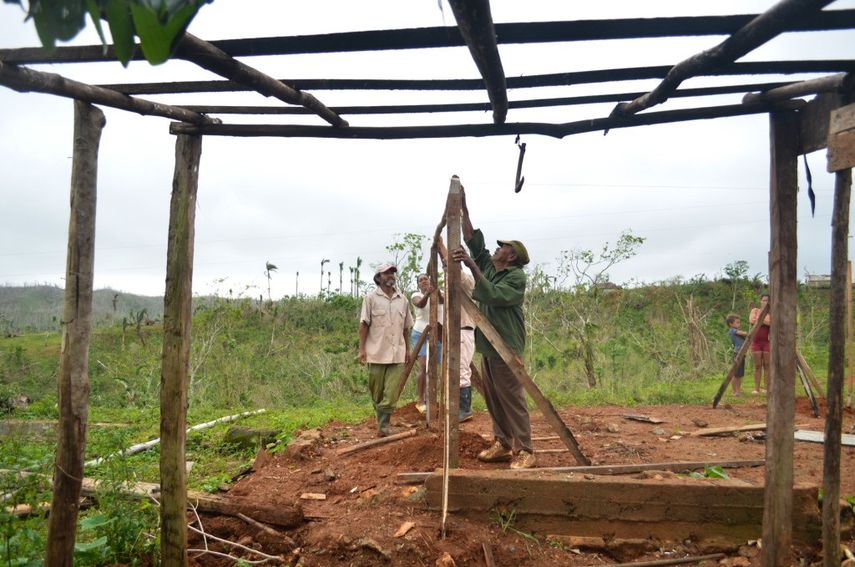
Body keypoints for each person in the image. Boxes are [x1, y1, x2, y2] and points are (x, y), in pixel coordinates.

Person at [451, 187, 534, 469]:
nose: (497, 249)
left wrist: (471, 265)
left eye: (502, 247)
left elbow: (495, 295)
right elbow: (473, 240)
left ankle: (526, 450)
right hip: (488, 344)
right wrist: (463, 208)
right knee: (494, 397)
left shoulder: (515, 277)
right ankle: (503, 443)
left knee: (511, 398)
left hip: (505, 345)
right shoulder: (489, 266)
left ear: (511, 257)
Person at [358, 263, 413, 437]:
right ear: (378, 277)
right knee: (377, 392)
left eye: (392, 273)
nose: (390, 275)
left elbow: (406, 327)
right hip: (376, 353)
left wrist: (408, 349)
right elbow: (364, 325)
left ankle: (383, 426)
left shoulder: (403, 300)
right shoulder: (370, 298)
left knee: (391, 393)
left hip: (397, 353)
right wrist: (361, 349)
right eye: (386, 273)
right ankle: (382, 422)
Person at [436, 236, 477, 422]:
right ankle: (457, 407)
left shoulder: (466, 281)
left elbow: (453, 270)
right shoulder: (452, 287)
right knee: (453, 369)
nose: (447, 270)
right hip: (455, 332)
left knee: (461, 370)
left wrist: (442, 247)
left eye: (449, 267)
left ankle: (464, 409)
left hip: (463, 331)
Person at [410, 274, 443, 414]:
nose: (424, 281)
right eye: (421, 280)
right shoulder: (416, 295)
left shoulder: (439, 293)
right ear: (418, 284)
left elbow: (443, 301)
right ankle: (420, 401)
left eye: (426, 279)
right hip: (420, 333)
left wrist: (436, 291)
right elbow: (420, 304)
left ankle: (436, 398)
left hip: (438, 333)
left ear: (430, 281)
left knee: (436, 367)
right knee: (423, 366)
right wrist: (428, 294)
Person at [748, 293, 771, 394]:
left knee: (767, 365)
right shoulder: (755, 310)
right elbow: (751, 321)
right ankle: (756, 389)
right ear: (760, 301)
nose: (765, 302)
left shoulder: (772, 313)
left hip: (767, 342)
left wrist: (759, 320)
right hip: (756, 342)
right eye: (764, 300)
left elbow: (771, 323)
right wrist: (765, 321)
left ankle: (766, 388)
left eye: (767, 300)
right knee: (757, 366)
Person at [726, 314, 747, 396]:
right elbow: (743, 333)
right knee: (735, 374)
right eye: (737, 322)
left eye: (739, 322)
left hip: (742, 353)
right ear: (731, 324)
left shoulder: (737, 331)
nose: (739, 324)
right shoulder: (732, 330)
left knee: (740, 374)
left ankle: (738, 390)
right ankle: (734, 391)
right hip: (737, 353)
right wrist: (746, 333)